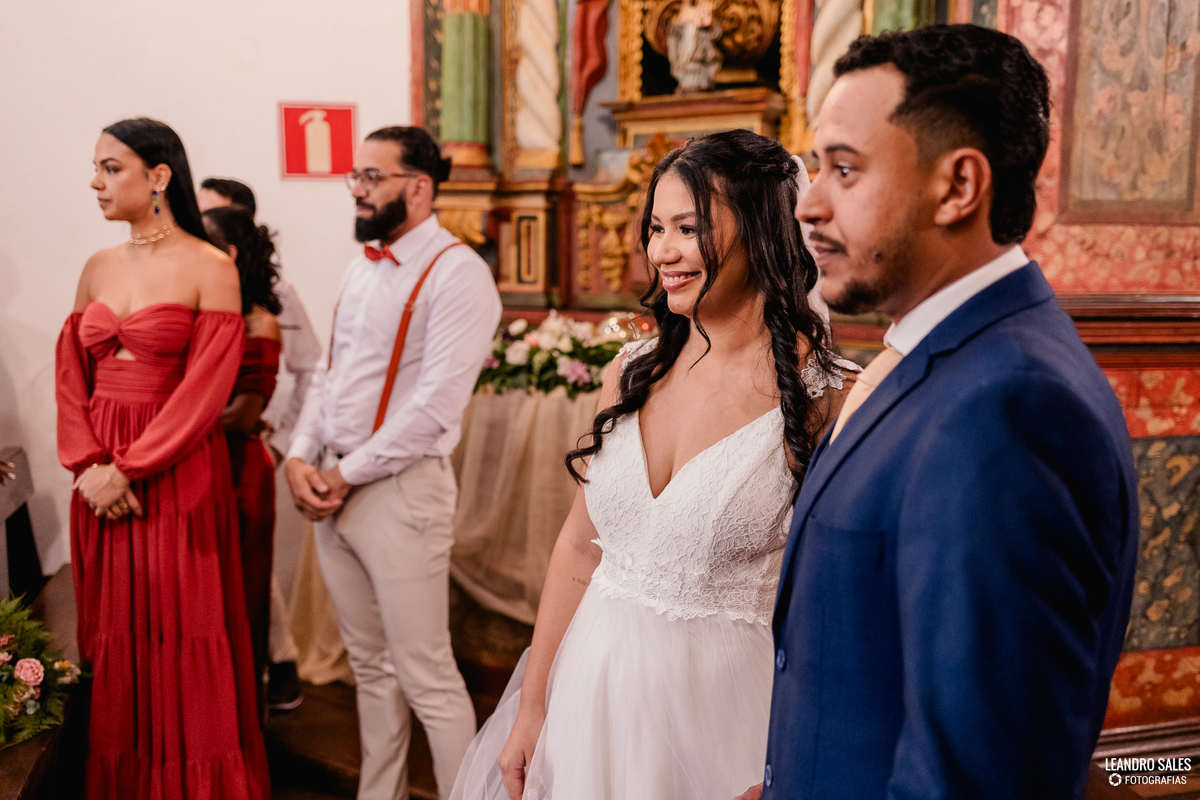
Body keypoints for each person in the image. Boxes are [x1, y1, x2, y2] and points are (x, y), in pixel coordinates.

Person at [755, 25, 1138, 800]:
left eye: (845, 169)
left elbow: (976, 776)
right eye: (813, 168)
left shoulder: (1005, 410)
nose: (809, 206)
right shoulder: (944, 361)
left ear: (958, 186)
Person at [451, 129, 852, 800]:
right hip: (589, 692)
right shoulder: (633, 372)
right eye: (656, 227)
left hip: (726, 716)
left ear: (762, 232)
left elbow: (833, 596)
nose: (661, 251)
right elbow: (579, 549)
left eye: (688, 229)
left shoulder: (824, 394)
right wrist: (534, 706)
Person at [284, 125, 502, 800]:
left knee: (427, 675)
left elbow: (435, 409)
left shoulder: (460, 273)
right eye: (356, 176)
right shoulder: (361, 265)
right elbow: (329, 374)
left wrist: (342, 475)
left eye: (371, 177)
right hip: (330, 480)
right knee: (370, 669)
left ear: (419, 186)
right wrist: (298, 456)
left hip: (399, 492)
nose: (357, 189)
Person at [56, 117, 270, 799]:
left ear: (158, 177)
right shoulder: (97, 266)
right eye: (95, 168)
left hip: (173, 479)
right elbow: (69, 377)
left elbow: (206, 388)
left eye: (110, 168)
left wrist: (130, 467)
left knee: (183, 637)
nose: (96, 181)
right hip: (100, 483)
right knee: (117, 640)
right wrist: (88, 465)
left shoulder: (210, 267)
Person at [198, 177, 320, 712]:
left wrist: (282, 439)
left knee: (244, 573)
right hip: (209, 452)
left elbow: (309, 370)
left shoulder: (271, 303)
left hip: (244, 445)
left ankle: (271, 670)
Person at [204, 205, 284, 708]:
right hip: (201, 467)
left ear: (229, 254)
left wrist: (162, 421)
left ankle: (244, 722)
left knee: (241, 603)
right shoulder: (201, 310)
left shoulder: (260, 321)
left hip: (238, 473)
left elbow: (242, 413)